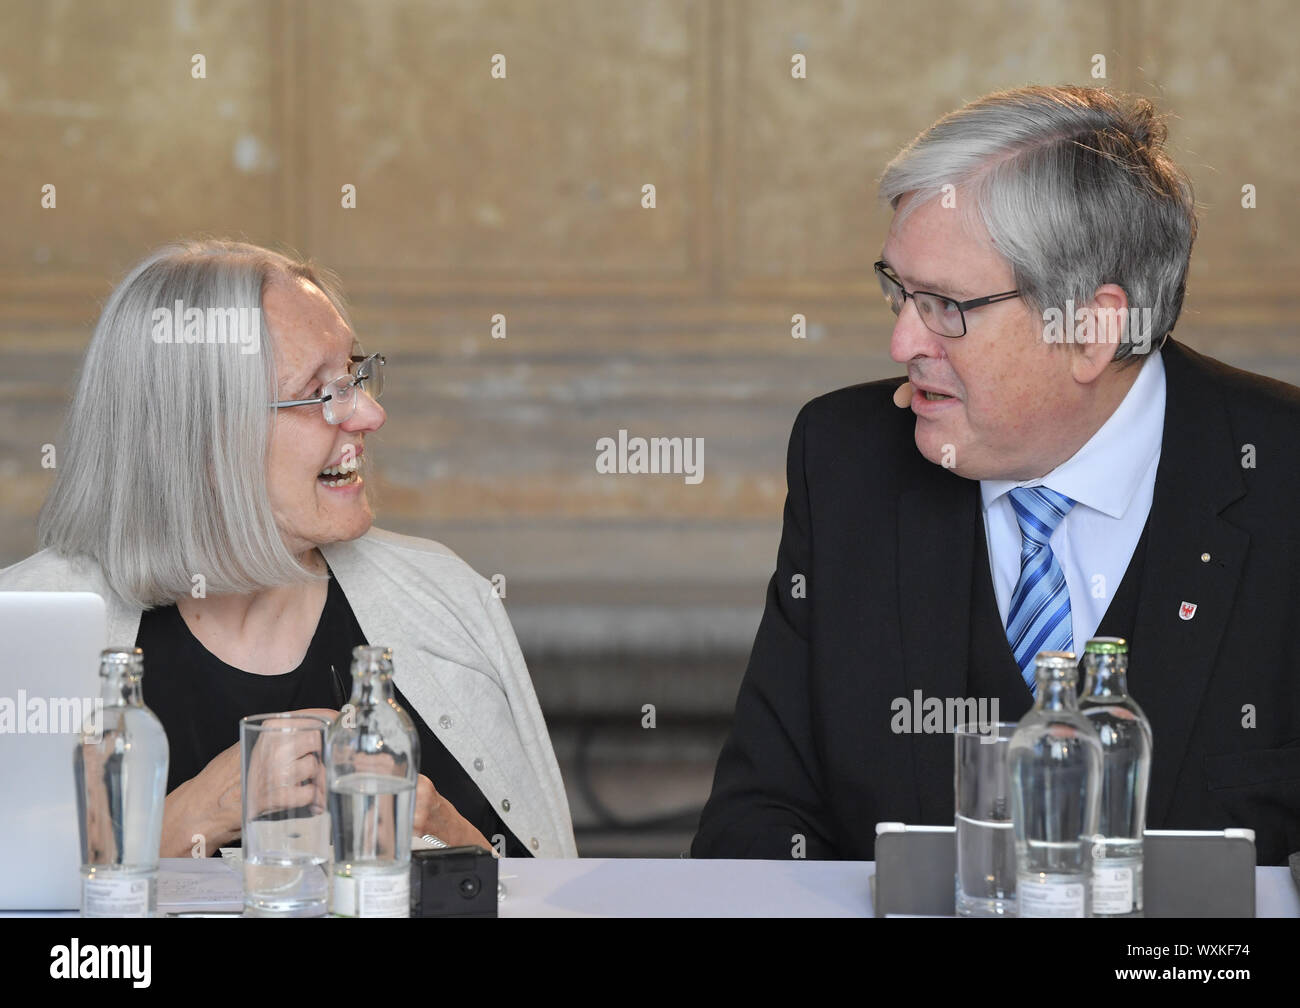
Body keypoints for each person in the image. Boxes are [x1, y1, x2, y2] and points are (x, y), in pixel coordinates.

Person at [692, 86, 1300, 866]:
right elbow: (760, 817)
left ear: (1092, 328)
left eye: (946, 306)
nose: (904, 340)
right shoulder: (845, 461)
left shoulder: (1281, 479)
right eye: (899, 293)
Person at [0, 239, 576, 859]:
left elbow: (554, 892)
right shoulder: (23, 630)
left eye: (355, 375)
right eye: (321, 394)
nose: (370, 414)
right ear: (203, 443)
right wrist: (197, 814)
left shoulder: (445, 597)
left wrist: (447, 832)